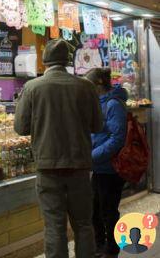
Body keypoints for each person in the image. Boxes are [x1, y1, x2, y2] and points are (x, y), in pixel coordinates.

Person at [15, 39, 103, 258]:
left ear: (45, 61)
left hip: (48, 167)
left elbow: (20, 128)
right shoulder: (86, 86)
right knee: (83, 224)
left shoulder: (32, 87)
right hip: (80, 166)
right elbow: (98, 125)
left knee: (54, 226)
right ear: (67, 59)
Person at [85, 68, 128, 258]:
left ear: (99, 84)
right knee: (95, 210)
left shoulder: (113, 104)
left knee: (108, 212)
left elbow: (117, 138)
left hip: (111, 168)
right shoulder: (98, 103)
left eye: (89, 85)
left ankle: (111, 250)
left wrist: (92, 156)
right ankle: (100, 246)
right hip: (99, 167)